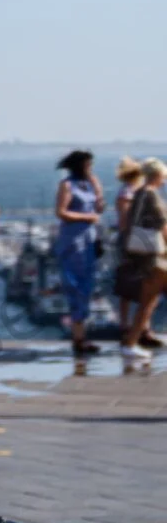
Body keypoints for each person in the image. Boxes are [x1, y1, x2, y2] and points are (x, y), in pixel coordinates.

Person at [52, 149, 104, 359]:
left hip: (89, 239)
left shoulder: (89, 184)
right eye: (88, 165)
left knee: (87, 286)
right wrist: (85, 217)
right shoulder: (67, 185)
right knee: (75, 287)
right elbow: (61, 212)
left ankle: (82, 335)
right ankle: (78, 338)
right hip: (73, 240)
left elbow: (99, 206)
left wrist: (97, 186)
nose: (90, 169)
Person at [120, 158, 167, 372]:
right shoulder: (150, 194)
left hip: (145, 254)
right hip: (155, 255)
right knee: (149, 300)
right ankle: (130, 343)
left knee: (150, 300)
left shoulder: (139, 193)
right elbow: (162, 226)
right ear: (157, 175)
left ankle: (131, 343)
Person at [112, 159, 157, 348]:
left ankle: (139, 327)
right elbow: (125, 220)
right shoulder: (127, 193)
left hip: (139, 239)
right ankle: (131, 327)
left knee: (141, 285)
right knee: (129, 284)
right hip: (133, 240)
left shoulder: (136, 192)